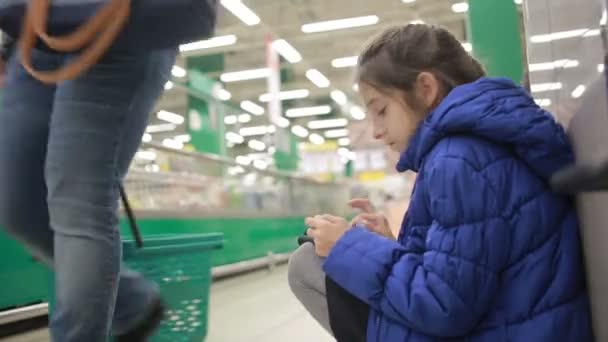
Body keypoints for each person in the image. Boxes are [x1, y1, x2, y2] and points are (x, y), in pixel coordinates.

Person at [288, 24, 593, 341]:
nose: (376, 130)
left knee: (307, 265)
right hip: (515, 324)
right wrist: (390, 246)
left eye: (381, 110)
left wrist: (349, 248)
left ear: (425, 89)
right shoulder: (479, 145)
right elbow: (466, 272)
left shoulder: (459, 159)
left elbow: (444, 307)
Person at [0, 25, 175, 342]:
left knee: (78, 201)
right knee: (17, 203)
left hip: (119, 24)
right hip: (32, 37)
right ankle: (132, 301)